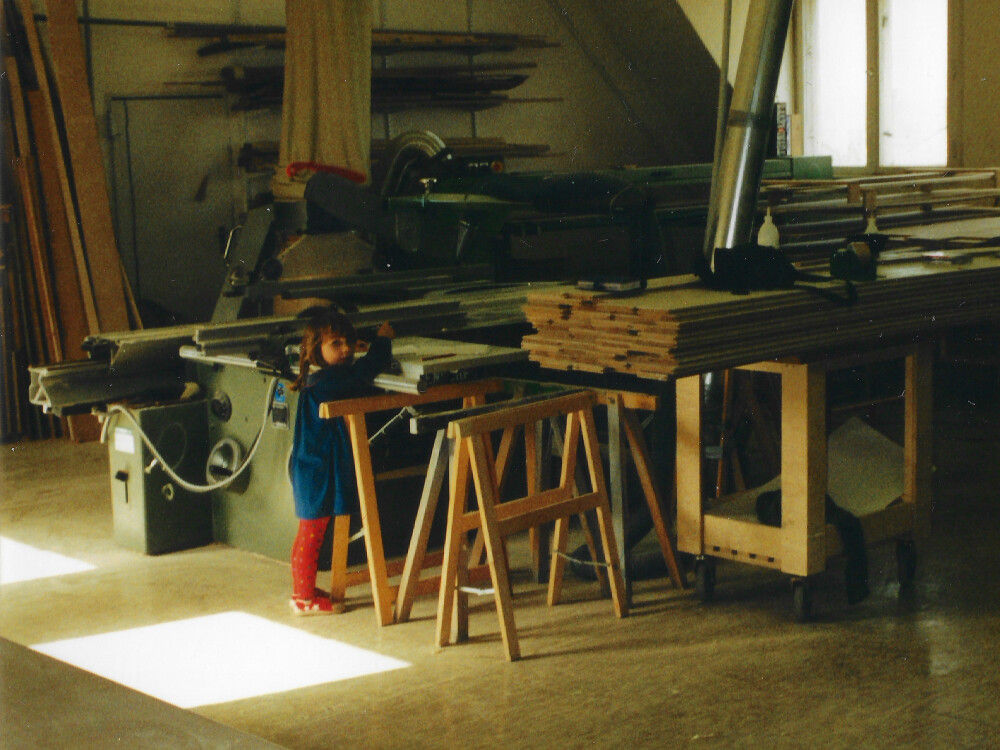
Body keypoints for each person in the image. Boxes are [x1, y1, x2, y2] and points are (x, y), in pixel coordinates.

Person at [287, 306, 395, 615]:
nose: (346, 348)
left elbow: (350, 371)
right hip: (317, 472)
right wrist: (382, 342)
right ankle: (304, 600)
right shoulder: (328, 383)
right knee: (310, 535)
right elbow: (362, 374)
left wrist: (362, 345)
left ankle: (302, 590)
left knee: (309, 534)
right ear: (315, 350)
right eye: (336, 344)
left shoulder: (320, 378)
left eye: (348, 340)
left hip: (312, 468)